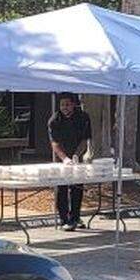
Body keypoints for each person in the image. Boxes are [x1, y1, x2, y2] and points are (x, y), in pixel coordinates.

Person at [47, 92, 91, 231]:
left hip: (77, 155)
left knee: (77, 188)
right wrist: (65, 158)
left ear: (73, 104)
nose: (64, 107)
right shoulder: (54, 120)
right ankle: (64, 219)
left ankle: (75, 217)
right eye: (62, 105)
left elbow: (85, 140)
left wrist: (76, 156)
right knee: (62, 188)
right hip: (61, 158)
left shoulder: (83, 117)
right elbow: (54, 143)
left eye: (67, 104)